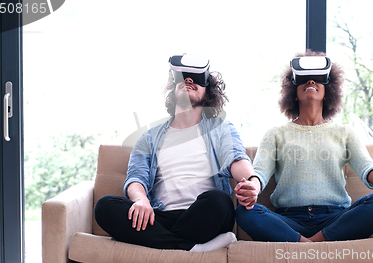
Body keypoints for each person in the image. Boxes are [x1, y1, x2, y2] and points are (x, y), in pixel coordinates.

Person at [94, 54, 259, 252]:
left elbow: (236, 159)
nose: (188, 81)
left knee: (219, 200)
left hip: (204, 216)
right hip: (159, 217)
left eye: (196, 79)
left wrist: (253, 183)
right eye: (183, 78)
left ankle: (156, 241)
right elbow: (136, 178)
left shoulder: (220, 128)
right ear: (173, 91)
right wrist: (141, 200)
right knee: (105, 207)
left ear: (208, 94)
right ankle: (190, 247)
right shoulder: (149, 138)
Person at [235, 51, 373, 243]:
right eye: (304, 79)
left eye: (317, 80)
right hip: (289, 220)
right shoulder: (275, 134)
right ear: (294, 93)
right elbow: (260, 173)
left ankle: (306, 244)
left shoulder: (345, 132)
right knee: (244, 212)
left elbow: (366, 167)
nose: (311, 82)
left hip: (334, 218)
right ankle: (313, 244)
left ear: (328, 91)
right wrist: (253, 188)